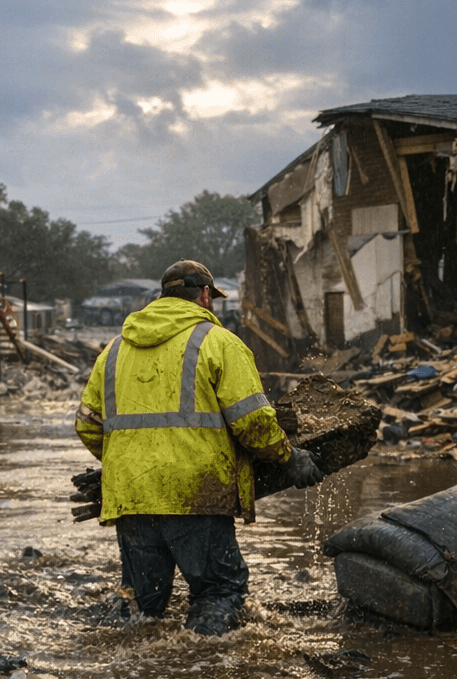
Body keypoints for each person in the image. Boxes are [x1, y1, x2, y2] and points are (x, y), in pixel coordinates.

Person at [74, 259, 324, 635]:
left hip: (131, 494)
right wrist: (289, 457)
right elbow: (253, 423)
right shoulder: (219, 343)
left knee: (141, 607)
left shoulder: (114, 350)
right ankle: (203, 672)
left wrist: (130, 460)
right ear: (205, 295)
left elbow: (87, 425)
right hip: (196, 493)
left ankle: (131, 672)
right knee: (218, 591)